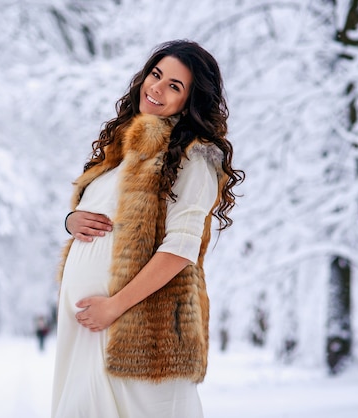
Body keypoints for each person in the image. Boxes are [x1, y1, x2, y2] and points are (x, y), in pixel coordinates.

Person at [51, 40, 244, 418]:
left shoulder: (196, 156)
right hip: (90, 327)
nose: (156, 88)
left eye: (174, 85)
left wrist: (113, 307)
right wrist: (72, 221)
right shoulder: (124, 147)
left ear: (191, 101)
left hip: (140, 332)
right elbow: (98, 209)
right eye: (156, 75)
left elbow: (180, 249)